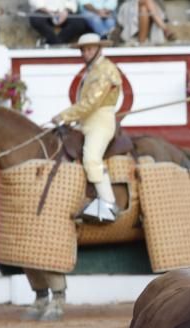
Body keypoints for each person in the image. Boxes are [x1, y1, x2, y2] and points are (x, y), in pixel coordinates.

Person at [52, 32, 122, 224]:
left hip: (100, 121)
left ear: (100, 49)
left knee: (91, 158)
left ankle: (109, 205)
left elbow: (91, 103)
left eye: (90, 49)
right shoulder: (91, 71)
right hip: (86, 122)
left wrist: (64, 115)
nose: (85, 53)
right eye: (83, 49)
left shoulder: (106, 70)